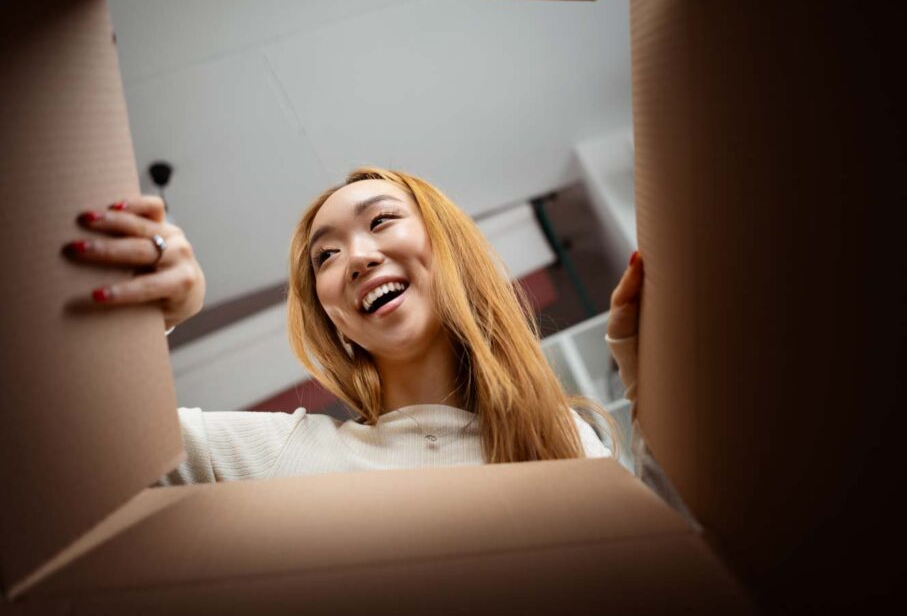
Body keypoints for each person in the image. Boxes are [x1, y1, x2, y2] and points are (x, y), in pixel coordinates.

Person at [63, 167, 648, 488]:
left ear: (451, 249)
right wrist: (149, 323)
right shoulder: (275, 459)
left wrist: (645, 379)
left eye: (382, 220)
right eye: (326, 256)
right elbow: (75, 452)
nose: (358, 257)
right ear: (334, 318)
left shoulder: (561, 438)